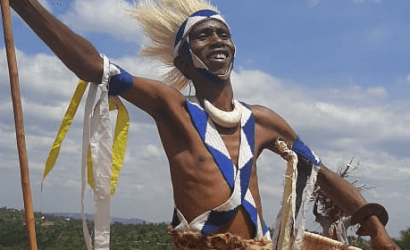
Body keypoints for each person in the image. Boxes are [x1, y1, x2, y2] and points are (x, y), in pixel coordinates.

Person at [8, 0, 400, 249]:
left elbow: (321, 174)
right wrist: (25, 5)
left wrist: (374, 226)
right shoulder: (171, 107)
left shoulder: (263, 120)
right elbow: (94, 67)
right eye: (202, 36)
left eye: (223, 34)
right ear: (183, 60)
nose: (217, 40)